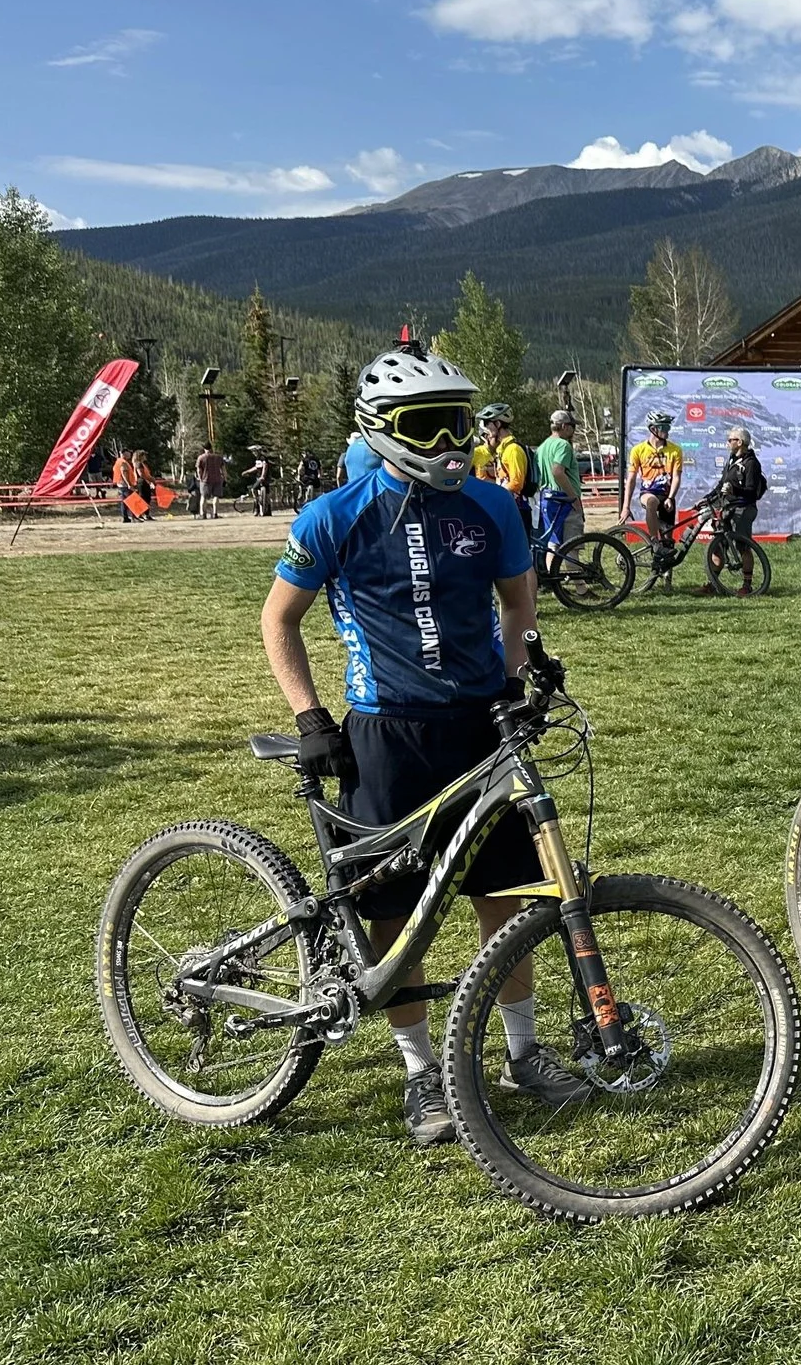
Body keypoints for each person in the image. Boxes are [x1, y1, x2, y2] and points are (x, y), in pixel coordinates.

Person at [259, 336, 586, 1146]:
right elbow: (279, 621)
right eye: (429, 425)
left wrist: (514, 680)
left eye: (459, 424)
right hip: (385, 732)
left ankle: (521, 1053)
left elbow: (519, 605)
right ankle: (419, 1073)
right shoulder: (334, 513)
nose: (448, 443)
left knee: (503, 896)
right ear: (381, 426)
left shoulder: (491, 506)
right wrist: (310, 718)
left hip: (479, 725)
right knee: (394, 914)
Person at [628, 411, 684, 568]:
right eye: (663, 427)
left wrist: (671, 497)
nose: (667, 430)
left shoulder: (675, 450)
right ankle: (654, 542)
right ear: (653, 429)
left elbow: (676, 477)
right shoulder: (638, 450)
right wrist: (625, 507)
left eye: (668, 426)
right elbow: (631, 479)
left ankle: (665, 577)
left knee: (668, 542)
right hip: (648, 492)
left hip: (666, 495)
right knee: (651, 502)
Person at [715, 426, 769, 590]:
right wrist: (705, 499)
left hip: (743, 509)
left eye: (730, 440)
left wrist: (734, 490)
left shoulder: (751, 463)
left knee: (742, 545)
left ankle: (747, 585)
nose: (727, 443)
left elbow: (751, 492)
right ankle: (713, 582)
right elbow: (720, 485)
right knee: (718, 545)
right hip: (728, 507)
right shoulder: (731, 460)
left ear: (740, 442)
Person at [532, 408, 584, 569]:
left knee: (553, 545)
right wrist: (574, 498)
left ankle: (555, 583)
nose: (573, 430)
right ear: (563, 426)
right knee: (572, 545)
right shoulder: (563, 445)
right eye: (572, 426)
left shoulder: (542, 447)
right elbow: (557, 471)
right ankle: (580, 588)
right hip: (565, 499)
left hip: (547, 498)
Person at [472, 404, 533, 539]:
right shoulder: (503, 450)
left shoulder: (513, 450)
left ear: (498, 423)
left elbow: (517, 483)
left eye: (488, 424)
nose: (486, 428)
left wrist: (497, 496)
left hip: (517, 509)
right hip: (507, 508)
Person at [194, 444, 225, 520]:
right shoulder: (218, 457)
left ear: (204, 448)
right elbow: (223, 469)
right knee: (216, 496)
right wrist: (224, 478)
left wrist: (200, 477)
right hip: (217, 479)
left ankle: (203, 514)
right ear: (211, 448)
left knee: (203, 497)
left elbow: (199, 469)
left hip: (205, 480)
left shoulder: (201, 457)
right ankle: (215, 513)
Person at [248, 447, 274, 517]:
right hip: (263, 477)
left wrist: (262, 476)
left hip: (263, 478)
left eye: (254, 451)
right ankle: (267, 511)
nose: (253, 453)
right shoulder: (258, 459)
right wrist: (247, 471)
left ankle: (257, 505)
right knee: (267, 493)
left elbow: (265, 466)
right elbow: (257, 467)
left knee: (254, 489)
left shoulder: (262, 458)